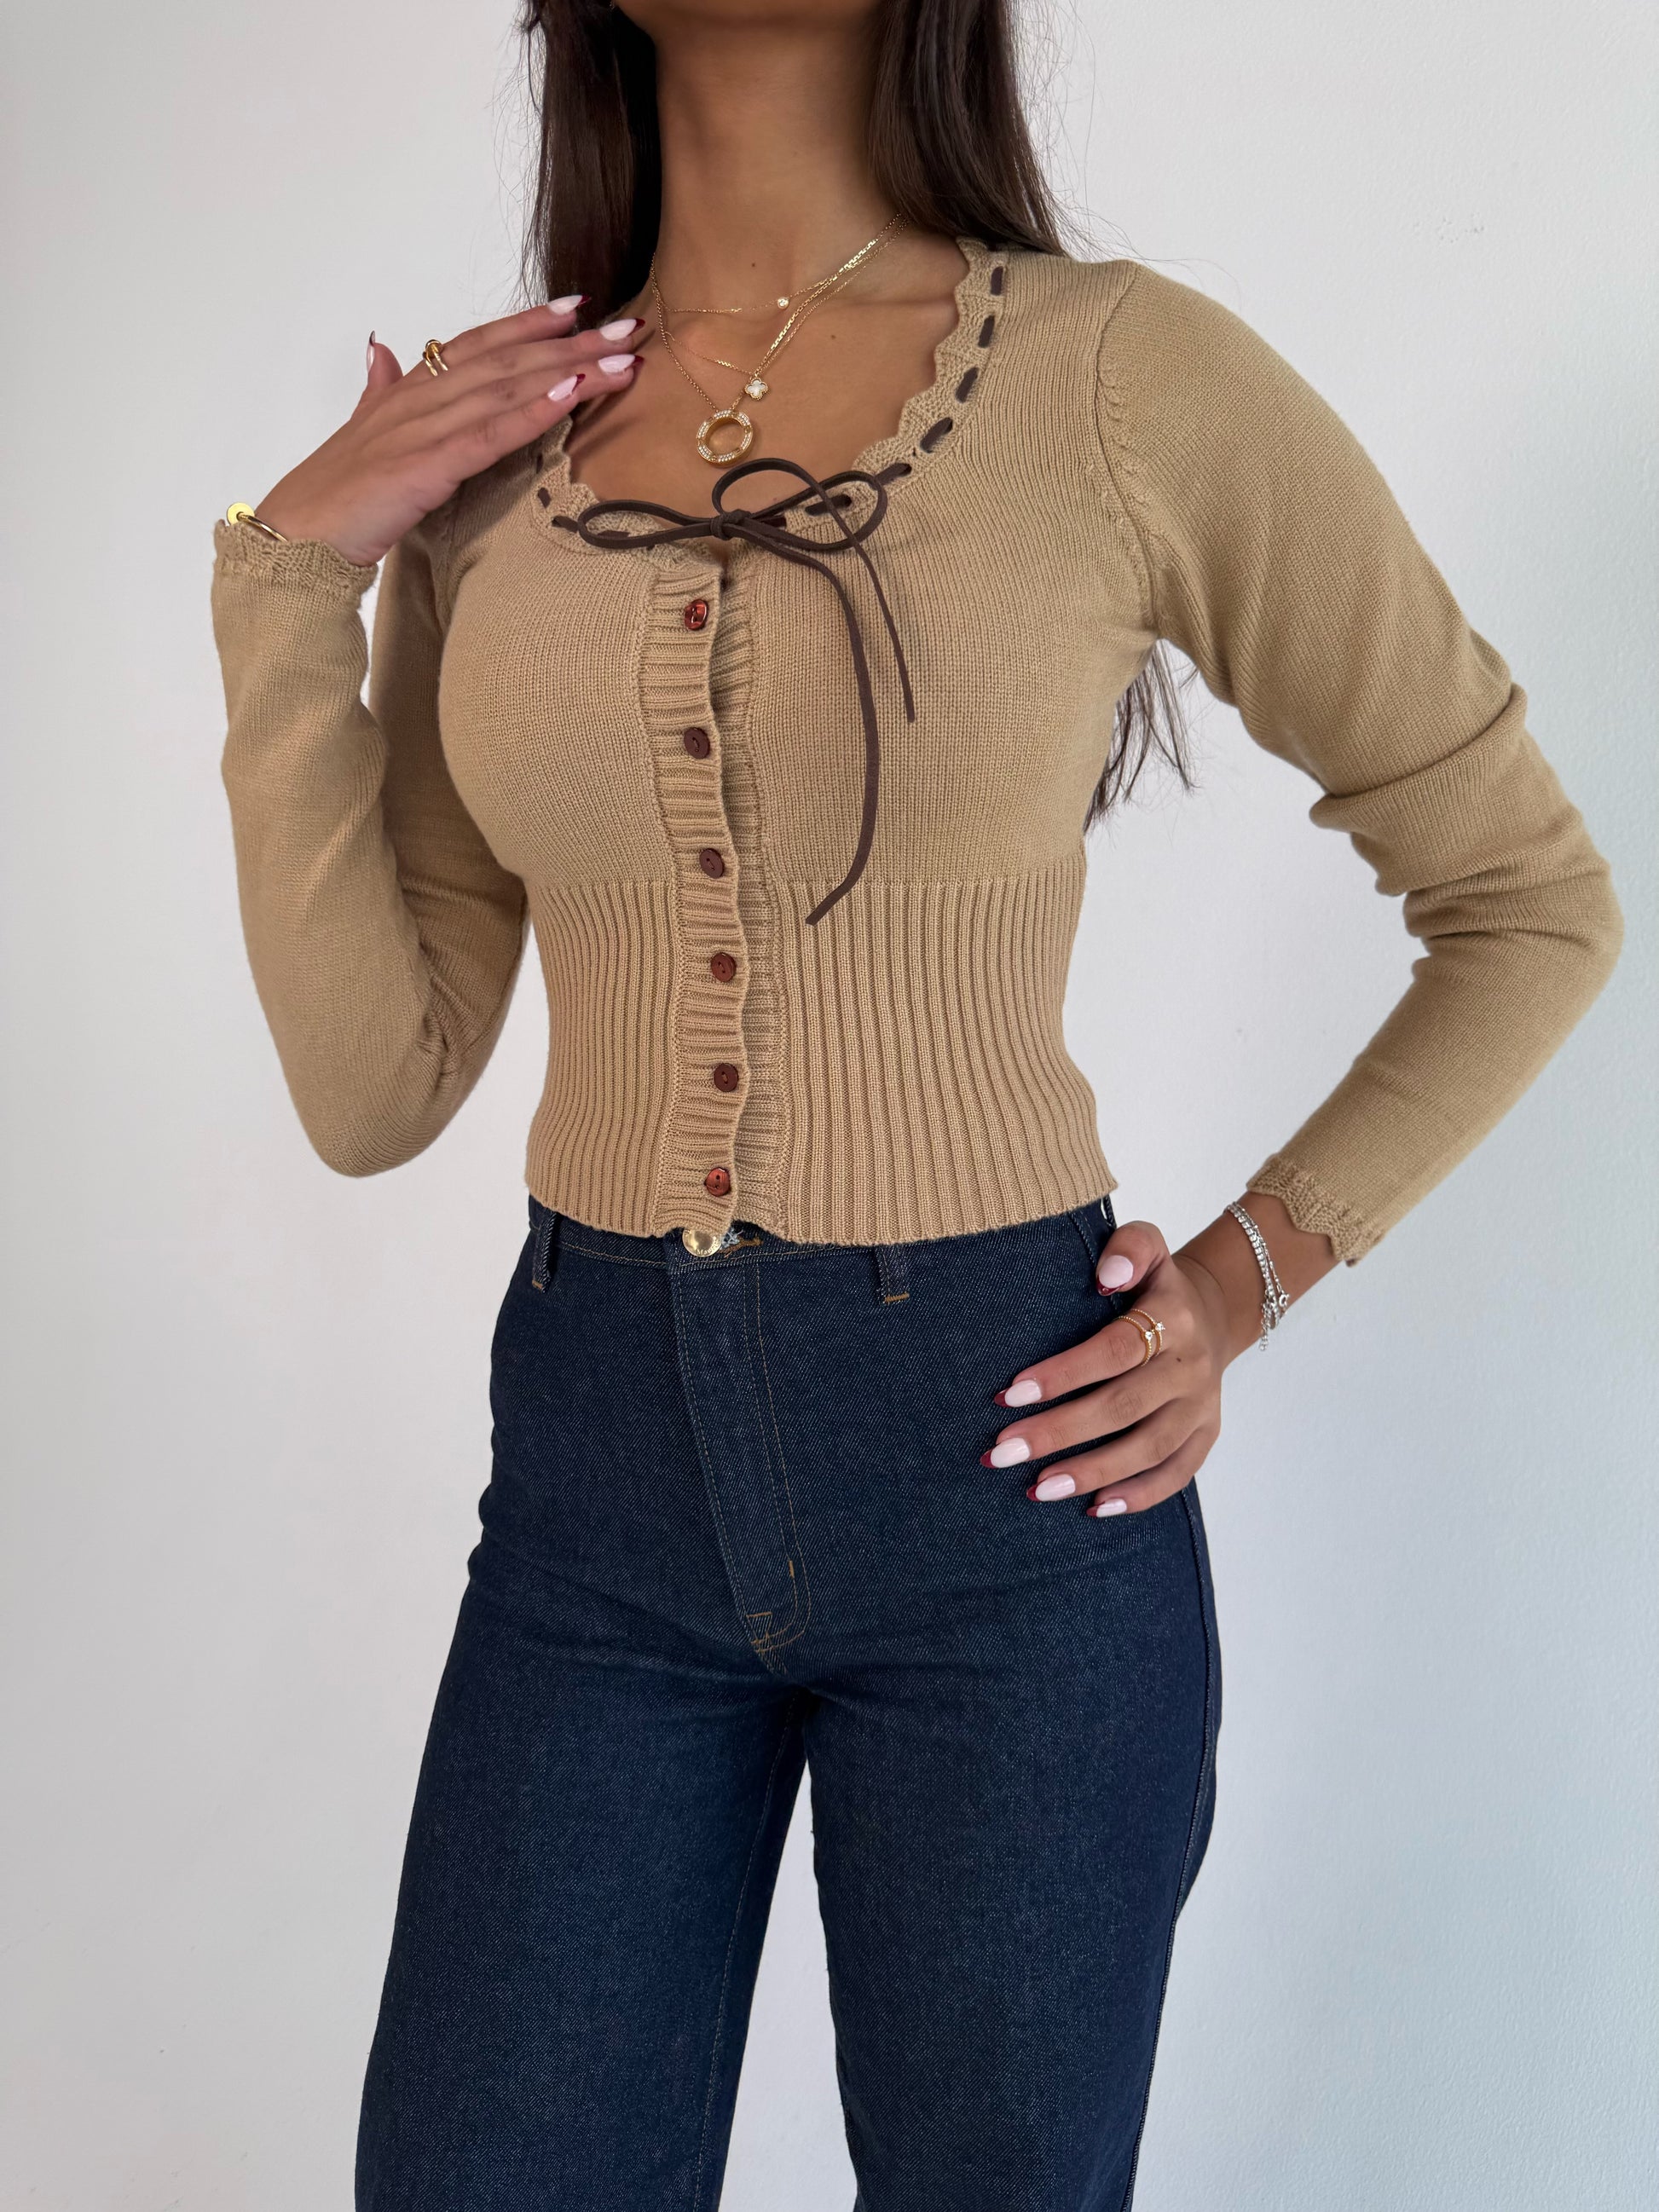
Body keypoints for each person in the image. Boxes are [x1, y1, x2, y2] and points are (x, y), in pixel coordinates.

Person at [207, 1, 1622, 2204]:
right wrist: (293, 573)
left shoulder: (1121, 381)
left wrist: (1246, 1275)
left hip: (1010, 1483)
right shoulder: (495, 448)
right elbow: (376, 1083)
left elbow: (1528, 896)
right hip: (593, 1498)